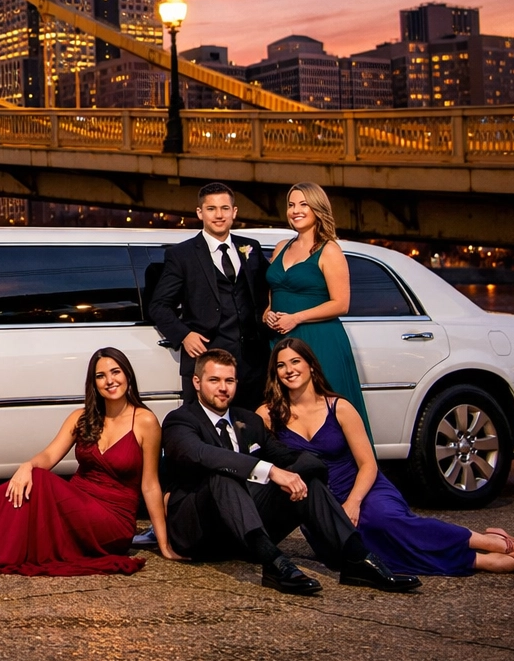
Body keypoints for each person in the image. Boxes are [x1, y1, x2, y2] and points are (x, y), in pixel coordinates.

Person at [260, 337, 514, 575]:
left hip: (362, 487)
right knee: (351, 557)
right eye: (281, 365)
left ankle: (485, 545)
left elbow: (368, 464)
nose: (289, 370)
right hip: (320, 503)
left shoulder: (340, 408)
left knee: (387, 523)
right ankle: (477, 559)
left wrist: (354, 503)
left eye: (295, 361)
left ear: (310, 365)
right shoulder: (270, 415)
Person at [0, 349, 180, 576]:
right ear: (93, 383)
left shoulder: (145, 421)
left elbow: (151, 485)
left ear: (127, 375)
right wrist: (26, 466)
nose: (109, 380)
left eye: (115, 372)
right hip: (77, 506)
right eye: (101, 376)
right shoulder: (80, 418)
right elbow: (49, 456)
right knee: (24, 486)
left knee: (39, 481)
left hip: (111, 522)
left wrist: (163, 543)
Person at [162, 349, 420, 595]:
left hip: (244, 531)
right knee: (223, 473)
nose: (223, 388)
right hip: (199, 532)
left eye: (229, 380)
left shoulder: (248, 421)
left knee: (303, 478)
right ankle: (276, 564)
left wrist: (293, 476)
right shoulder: (180, 420)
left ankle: (357, 559)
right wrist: (272, 471)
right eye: (214, 380)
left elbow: (294, 457)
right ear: (197, 382)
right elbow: (203, 454)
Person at [149, 181, 271, 410]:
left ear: (234, 212)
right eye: (211, 208)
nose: (218, 215)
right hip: (207, 364)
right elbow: (159, 306)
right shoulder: (181, 255)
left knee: (255, 434)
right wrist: (184, 335)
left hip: (254, 365)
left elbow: (271, 287)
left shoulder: (251, 248)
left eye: (225, 208)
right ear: (200, 212)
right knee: (208, 434)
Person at [264, 182, 370, 428]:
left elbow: (341, 304)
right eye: (291, 205)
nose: (295, 210)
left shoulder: (329, 250)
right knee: (286, 415)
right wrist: (267, 315)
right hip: (280, 342)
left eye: (303, 204)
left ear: (317, 209)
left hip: (319, 341)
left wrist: (296, 318)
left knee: (327, 413)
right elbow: (270, 299)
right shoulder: (281, 248)